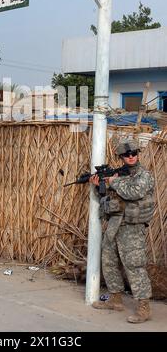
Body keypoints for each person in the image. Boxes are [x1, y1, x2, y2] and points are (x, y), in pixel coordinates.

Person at [90, 138, 154, 323]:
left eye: (134, 153)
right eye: (127, 154)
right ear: (121, 157)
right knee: (108, 261)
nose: (131, 156)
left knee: (134, 265)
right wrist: (99, 186)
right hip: (114, 224)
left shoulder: (144, 175)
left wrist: (112, 182)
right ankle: (115, 299)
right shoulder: (117, 175)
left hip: (132, 228)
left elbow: (134, 192)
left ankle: (144, 307)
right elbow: (106, 197)